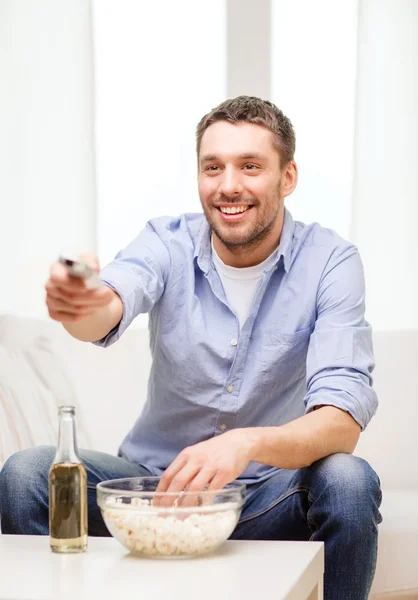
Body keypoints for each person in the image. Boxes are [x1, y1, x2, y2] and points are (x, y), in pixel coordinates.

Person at [0, 96, 382, 599]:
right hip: (153, 490)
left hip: (267, 496)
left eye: (250, 166)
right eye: (213, 167)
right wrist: (80, 303)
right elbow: (107, 305)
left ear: (287, 177)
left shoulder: (332, 261)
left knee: (350, 481)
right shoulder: (166, 240)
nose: (228, 185)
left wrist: (243, 443)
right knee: (27, 473)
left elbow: (340, 422)